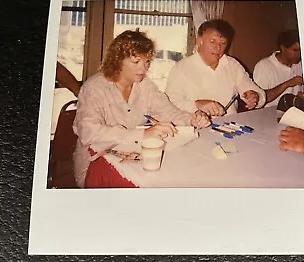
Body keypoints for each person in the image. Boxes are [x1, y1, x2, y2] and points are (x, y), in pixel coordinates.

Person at [72, 30, 211, 188]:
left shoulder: (144, 85)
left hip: (132, 154)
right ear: (117, 60)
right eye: (136, 62)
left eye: (147, 62)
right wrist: (144, 133)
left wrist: (191, 118)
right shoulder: (94, 88)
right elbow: (89, 132)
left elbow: (168, 111)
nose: (143, 69)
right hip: (96, 161)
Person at [165, 19, 266, 117]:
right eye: (212, 41)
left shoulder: (232, 65)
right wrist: (196, 105)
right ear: (199, 40)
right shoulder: (181, 69)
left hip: (230, 126)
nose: (218, 47)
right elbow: (169, 104)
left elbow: (257, 92)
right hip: (197, 127)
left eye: (223, 43)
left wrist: (254, 96)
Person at [253, 30, 304, 108]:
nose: (299, 54)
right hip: (270, 116)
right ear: (282, 48)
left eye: (301, 50)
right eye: (295, 50)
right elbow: (258, 99)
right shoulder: (264, 66)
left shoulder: (300, 64)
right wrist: (287, 84)